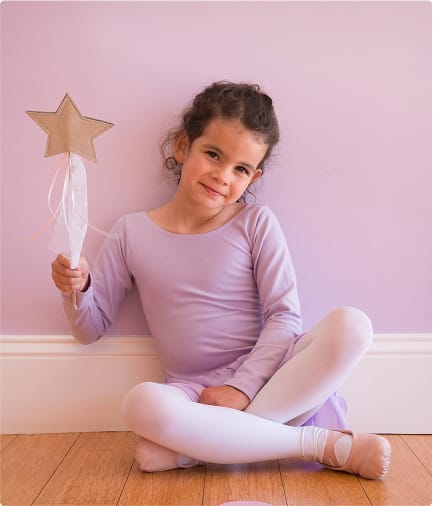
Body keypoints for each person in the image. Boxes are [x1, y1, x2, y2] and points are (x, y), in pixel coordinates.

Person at [51, 81, 391, 479]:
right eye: (213, 154)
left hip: (269, 379)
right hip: (194, 393)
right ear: (183, 146)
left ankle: (198, 451)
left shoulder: (255, 223)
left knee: (353, 325)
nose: (222, 176)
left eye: (240, 169)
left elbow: (284, 317)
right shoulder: (131, 232)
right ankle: (317, 444)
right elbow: (88, 330)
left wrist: (242, 388)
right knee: (140, 403)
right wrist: (76, 289)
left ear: (253, 177)